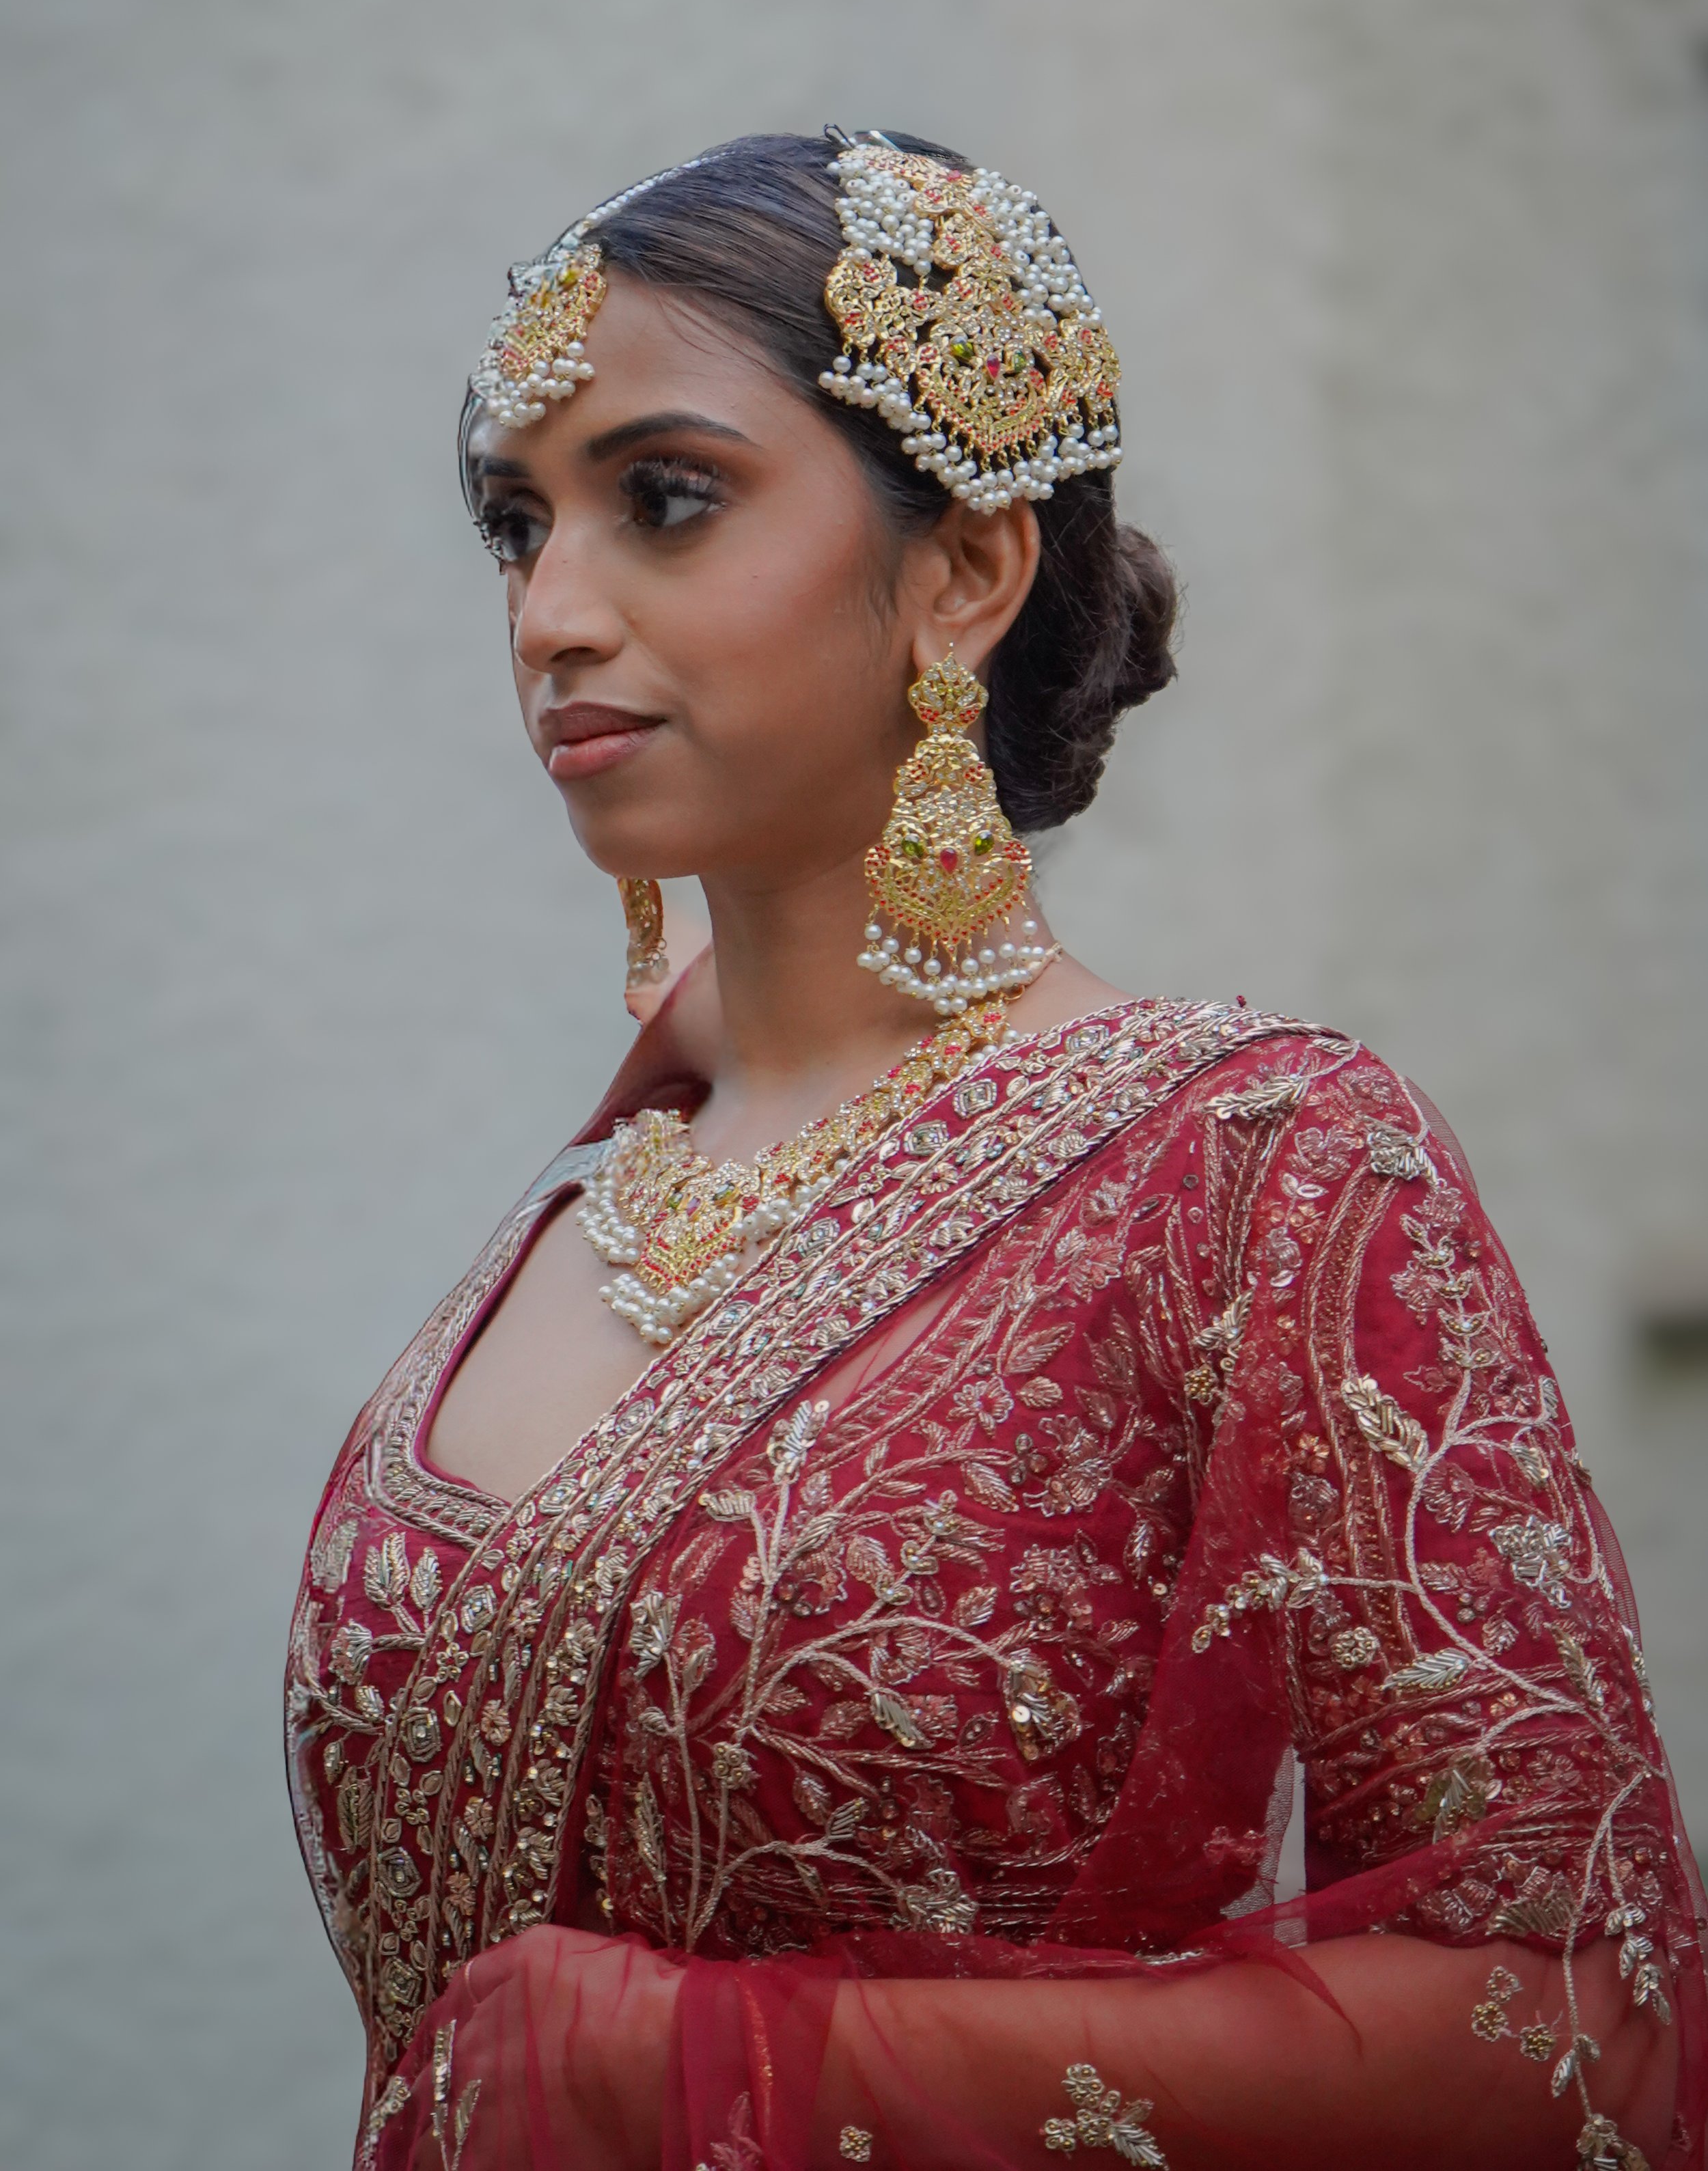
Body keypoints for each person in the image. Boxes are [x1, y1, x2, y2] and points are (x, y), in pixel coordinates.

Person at [286, 132, 1703, 2170]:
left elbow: (1580, 2022)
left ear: (960, 568)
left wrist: (677, 2064)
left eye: (664, 502)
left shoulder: (1255, 1166)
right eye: (514, 524)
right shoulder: (597, 1185)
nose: (548, 612)